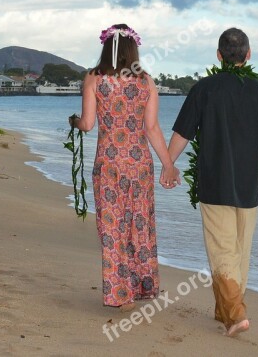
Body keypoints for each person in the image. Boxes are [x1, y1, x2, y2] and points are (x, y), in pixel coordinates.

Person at [164, 27, 258, 336]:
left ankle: (235, 314)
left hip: (214, 184)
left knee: (223, 251)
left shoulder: (204, 89)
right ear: (249, 55)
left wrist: (169, 165)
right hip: (250, 188)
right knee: (239, 251)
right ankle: (226, 311)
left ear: (219, 56)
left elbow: (183, 133)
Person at [71, 24, 180, 311]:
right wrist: (168, 165)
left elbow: (88, 124)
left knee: (112, 227)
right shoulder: (146, 82)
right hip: (140, 165)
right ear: (134, 49)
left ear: (106, 46)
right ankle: (142, 287)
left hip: (108, 164)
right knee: (139, 226)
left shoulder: (94, 78)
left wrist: (74, 121)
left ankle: (119, 294)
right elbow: (152, 128)